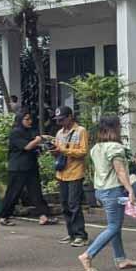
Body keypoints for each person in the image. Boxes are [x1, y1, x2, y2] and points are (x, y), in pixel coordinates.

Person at [74, 115, 136, 271]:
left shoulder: (96, 148)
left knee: (115, 226)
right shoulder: (115, 147)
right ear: (115, 128)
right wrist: (131, 190)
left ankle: (120, 258)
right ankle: (88, 255)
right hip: (113, 190)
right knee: (113, 226)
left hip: (100, 190)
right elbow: (119, 170)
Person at [0, 109, 55, 227]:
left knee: (36, 192)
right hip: (18, 168)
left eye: (30, 119)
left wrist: (42, 142)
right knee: (14, 193)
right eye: (27, 119)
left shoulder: (30, 131)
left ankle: (43, 216)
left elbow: (35, 145)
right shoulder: (16, 132)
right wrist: (38, 140)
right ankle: (4, 216)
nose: (30, 121)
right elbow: (27, 147)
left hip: (31, 166)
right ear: (20, 120)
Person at [51, 106, 89, 247]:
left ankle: (81, 235)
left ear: (70, 117)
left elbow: (83, 151)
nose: (60, 122)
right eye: (58, 120)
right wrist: (54, 151)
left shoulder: (80, 131)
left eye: (62, 119)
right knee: (65, 205)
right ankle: (71, 233)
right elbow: (58, 151)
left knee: (74, 204)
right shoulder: (59, 133)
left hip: (75, 172)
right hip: (61, 173)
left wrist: (64, 150)